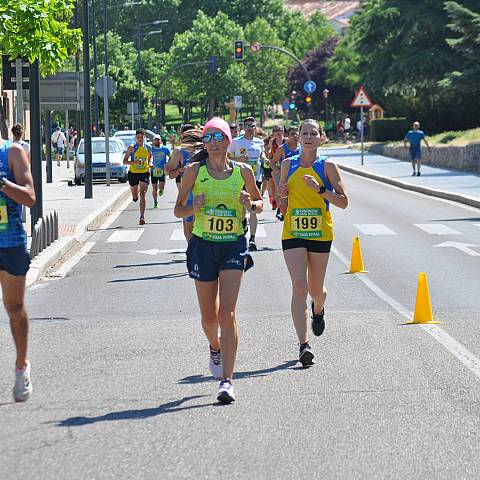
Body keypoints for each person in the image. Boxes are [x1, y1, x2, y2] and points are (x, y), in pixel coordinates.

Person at [174, 117, 262, 403]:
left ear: (228, 141)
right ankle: (215, 346)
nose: (212, 143)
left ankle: (227, 380)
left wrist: (252, 205)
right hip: (203, 246)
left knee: (227, 314)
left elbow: (261, 203)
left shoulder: (244, 172)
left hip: (233, 246)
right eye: (208, 138)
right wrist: (192, 206)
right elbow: (177, 210)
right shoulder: (193, 172)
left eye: (218, 137)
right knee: (209, 318)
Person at [278, 119, 348, 367]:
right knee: (299, 287)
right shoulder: (288, 164)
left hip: (320, 234)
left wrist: (321, 190)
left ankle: (318, 309)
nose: (308, 136)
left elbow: (343, 202)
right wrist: (281, 194)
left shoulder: (327, 166)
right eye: (304, 133)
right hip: (293, 232)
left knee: (315, 290)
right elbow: (282, 204)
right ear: (297, 137)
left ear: (321, 138)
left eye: (313, 133)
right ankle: (304, 345)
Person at [0, 137, 36, 401]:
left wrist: (2, 183)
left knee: (14, 307)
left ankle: (21, 366)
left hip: (9, 241)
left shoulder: (11, 152)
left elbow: (30, 197)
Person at [227, 117, 266, 251]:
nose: (250, 128)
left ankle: (253, 239)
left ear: (255, 127)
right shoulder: (236, 142)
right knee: (242, 208)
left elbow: (262, 156)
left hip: (256, 178)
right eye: (247, 125)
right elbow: (226, 158)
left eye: (252, 125)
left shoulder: (259, 142)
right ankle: (243, 224)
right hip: (240, 178)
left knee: (253, 208)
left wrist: (266, 159)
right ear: (243, 128)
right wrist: (239, 159)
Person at [167, 126, 203, 241]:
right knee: (189, 227)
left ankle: (194, 250)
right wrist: (180, 170)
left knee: (193, 226)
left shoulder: (206, 149)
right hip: (190, 193)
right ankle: (192, 251)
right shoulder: (179, 151)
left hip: (201, 191)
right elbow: (169, 172)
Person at [123, 128, 152, 225]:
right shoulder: (132, 147)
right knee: (135, 196)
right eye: (138, 137)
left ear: (144, 138)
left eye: (141, 137)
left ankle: (142, 217)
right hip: (133, 173)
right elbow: (124, 161)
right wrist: (134, 162)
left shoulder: (148, 147)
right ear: (135, 138)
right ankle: (135, 194)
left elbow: (149, 158)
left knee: (143, 194)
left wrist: (150, 163)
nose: (140, 139)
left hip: (144, 172)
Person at [271, 126, 301, 221]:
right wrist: (278, 171)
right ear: (288, 136)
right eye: (293, 134)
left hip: (299, 180)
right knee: (284, 202)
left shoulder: (303, 148)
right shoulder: (282, 149)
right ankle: (282, 213)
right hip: (285, 180)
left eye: (297, 134)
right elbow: (272, 162)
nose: (295, 136)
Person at [266, 125, 286, 213]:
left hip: (286, 168)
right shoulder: (272, 141)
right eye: (276, 130)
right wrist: (269, 157)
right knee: (277, 188)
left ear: (283, 131)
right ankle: (279, 208)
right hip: (276, 168)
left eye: (280, 130)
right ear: (273, 133)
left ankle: (284, 206)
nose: (278, 132)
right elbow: (269, 151)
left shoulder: (287, 141)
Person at [150, 135, 170, 208]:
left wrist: (167, 164)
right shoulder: (151, 149)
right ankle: (155, 202)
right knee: (154, 188)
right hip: (153, 170)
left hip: (162, 170)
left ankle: (161, 190)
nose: (157, 141)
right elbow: (148, 158)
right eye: (155, 139)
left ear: (160, 141)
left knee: (161, 187)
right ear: (153, 141)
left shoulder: (165, 149)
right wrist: (150, 164)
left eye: (158, 139)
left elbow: (171, 157)